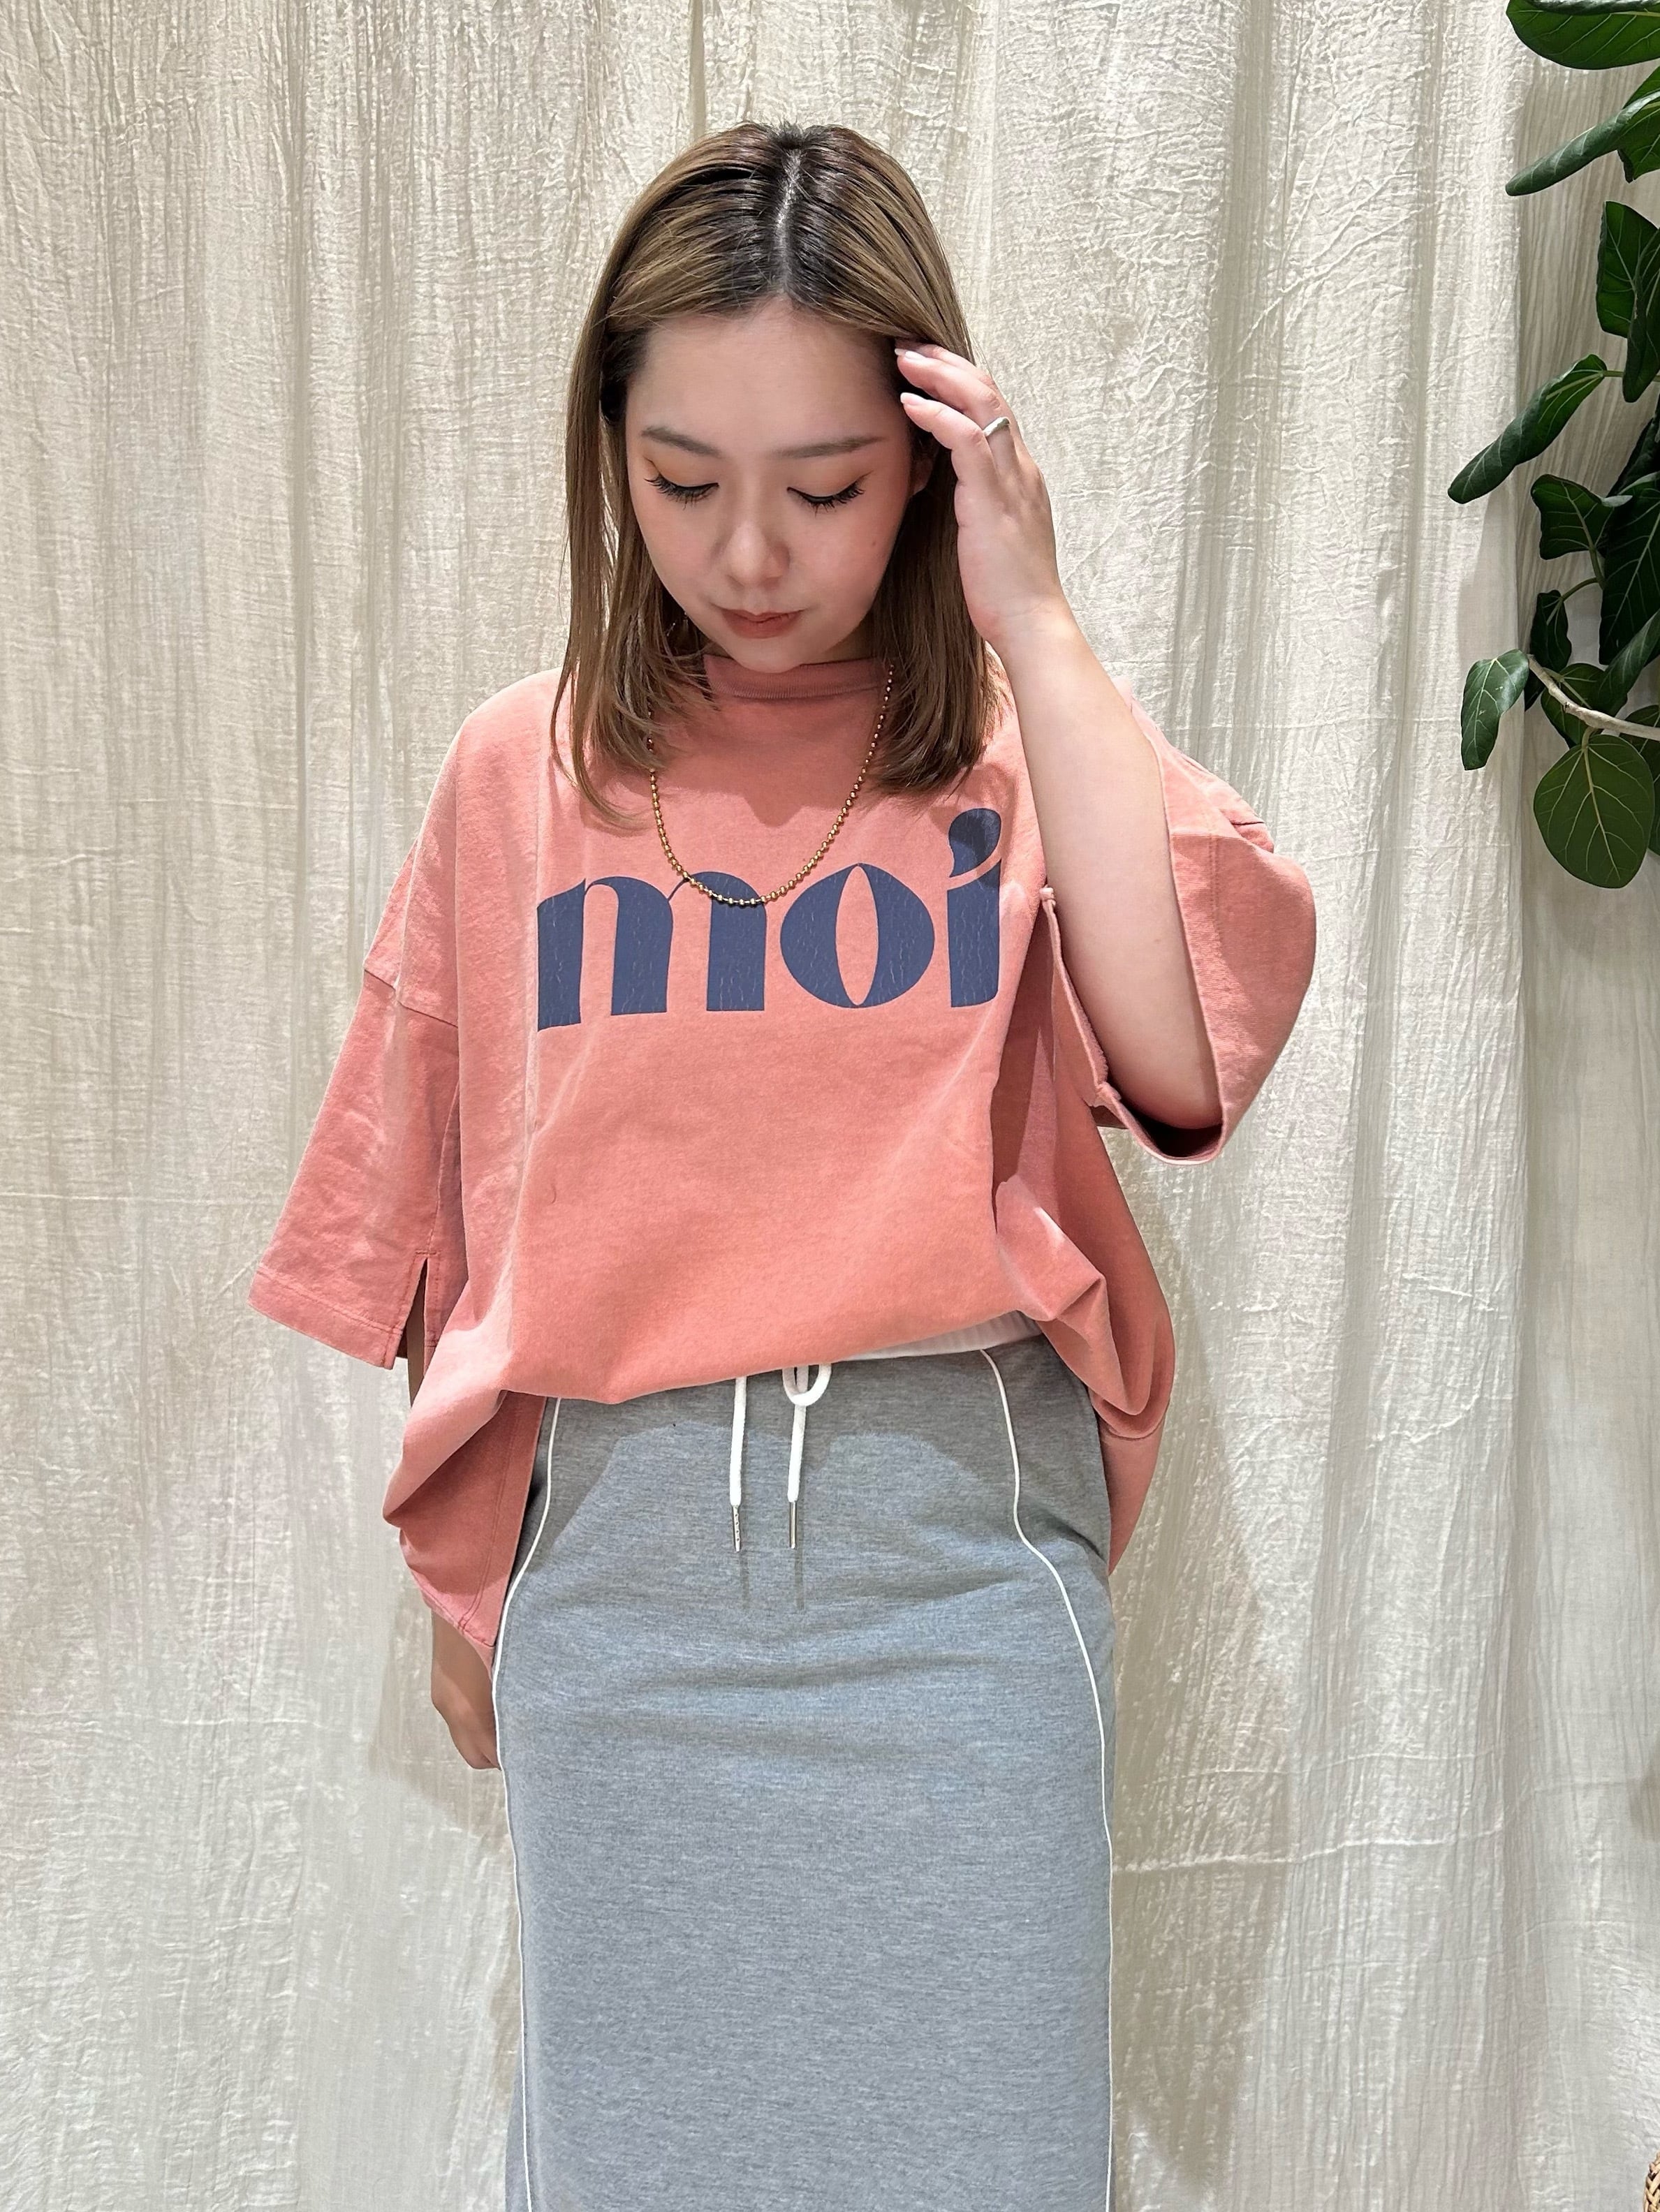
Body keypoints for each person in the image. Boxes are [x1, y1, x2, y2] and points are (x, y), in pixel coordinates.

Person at [249, 119, 1316, 2212]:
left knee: (984, 2167)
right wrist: (470, 1586)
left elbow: (1186, 1058)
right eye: (683, 481)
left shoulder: (1017, 756)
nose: (751, 553)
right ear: (607, 456)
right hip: (621, 1577)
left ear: (921, 461)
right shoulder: (522, 770)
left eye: (824, 486)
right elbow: (458, 1210)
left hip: (953, 1573)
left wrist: (1031, 614)